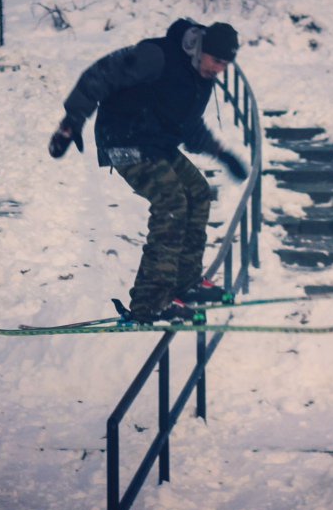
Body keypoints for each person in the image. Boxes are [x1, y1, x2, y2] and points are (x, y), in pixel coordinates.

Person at [48, 18, 248, 323]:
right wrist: (71, 122)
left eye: (226, 65)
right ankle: (151, 301)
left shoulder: (200, 77)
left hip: (156, 145)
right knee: (171, 202)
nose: (219, 69)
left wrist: (222, 154)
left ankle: (186, 282)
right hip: (122, 141)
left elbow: (189, 126)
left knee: (197, 192)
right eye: (216, 61)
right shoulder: (157, 56)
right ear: (201, 47)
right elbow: (100, 75)